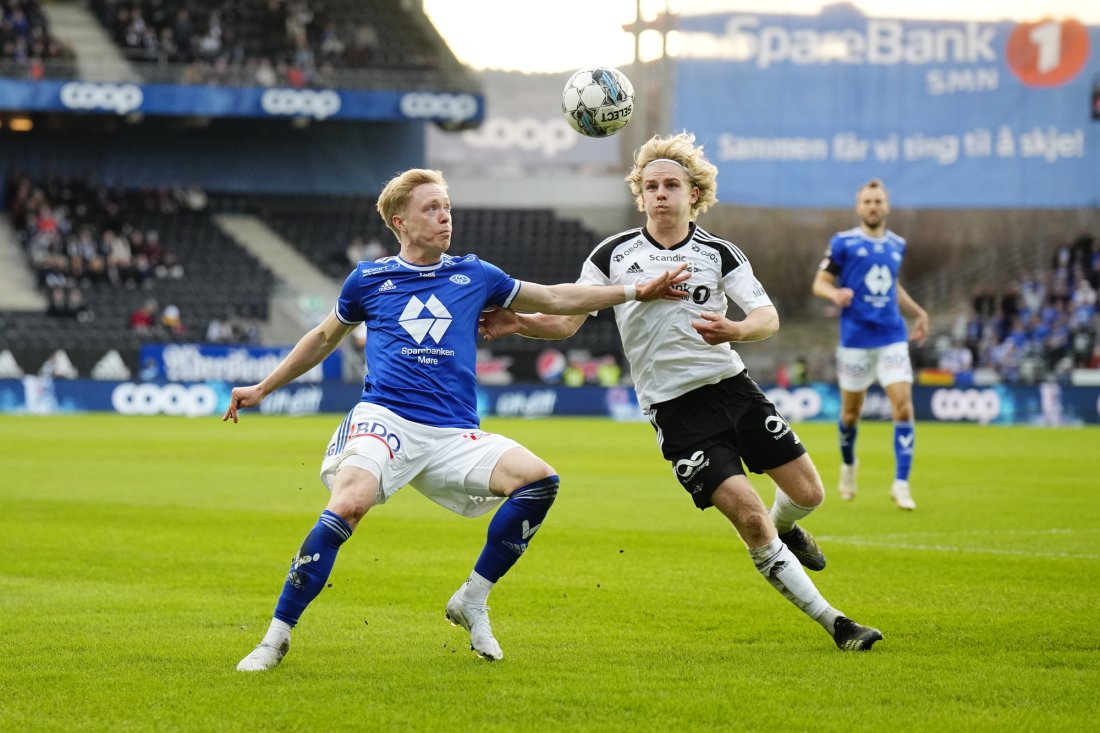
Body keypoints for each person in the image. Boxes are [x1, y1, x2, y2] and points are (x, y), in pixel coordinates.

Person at [223, 168, 688, 672]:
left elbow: (556, 299)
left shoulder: (476, 275)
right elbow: (321, 338)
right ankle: (274, 638)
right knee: (350, 502)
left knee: (539, 481)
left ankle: (473, 598)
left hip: (452, 432)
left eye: (446, 206)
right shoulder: (369, 279)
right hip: (388, 418)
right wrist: (263, 387)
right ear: (400, 221)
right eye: (431, 208)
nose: (445, 216)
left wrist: (634, 291)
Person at [480, 132, 883, 652]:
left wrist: (736, 330)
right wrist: (522, 325)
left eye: (672, 184)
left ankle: (789, 530)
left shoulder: (718, 252)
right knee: (750, 515)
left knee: (808, 494)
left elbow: (767, 316)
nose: (661, 193)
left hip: (733, 389)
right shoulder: (614, 253)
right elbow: (566, 323)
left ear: (695, 194)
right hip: (676, 412)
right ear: (640, 195)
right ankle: (837, 624)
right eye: (652, 186)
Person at [811, 179, 929, 510]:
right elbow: (820, 282)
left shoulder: (897, 244)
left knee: (903, 405)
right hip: (855, 340)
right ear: (858, 207)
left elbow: (892, 286)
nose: (873, 206)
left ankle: (901, 483)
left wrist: (918, 312)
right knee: (850, 415)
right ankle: (848, 467)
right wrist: (834, 293)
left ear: (887, 206)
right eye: (867, 202)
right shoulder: (843, 243)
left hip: (892, 335)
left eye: (878, 201)